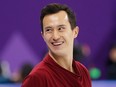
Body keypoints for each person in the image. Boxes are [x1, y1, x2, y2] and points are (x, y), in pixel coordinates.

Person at [22, 3, 91, 87]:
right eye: (48, 30)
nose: (55, 36)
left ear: (75, 32)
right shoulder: (38, 78)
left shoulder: (83, 72)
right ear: (43, 36)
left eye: (60, 28)